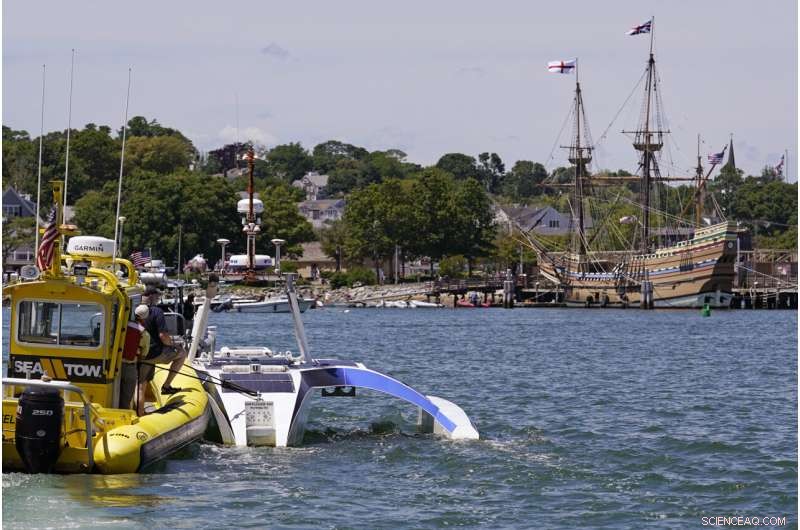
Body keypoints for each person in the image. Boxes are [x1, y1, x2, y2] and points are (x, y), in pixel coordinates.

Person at [140, 286, 188, 395]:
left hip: (139, 354)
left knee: (140, 386)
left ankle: (139, 411)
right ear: (151, 296)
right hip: (154, 354)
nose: (158, 300)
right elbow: (163, 336)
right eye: (157, 298)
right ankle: (166, 386)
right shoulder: (156, 311)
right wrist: (173, 345)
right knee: (182, 353)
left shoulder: (134, 309)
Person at [120, 304, 150, 414]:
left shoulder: (122, 325)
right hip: (130, 368)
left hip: (115, 367)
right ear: (146, 318)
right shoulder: (144, 333)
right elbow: (143, 355)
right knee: (126, 398)